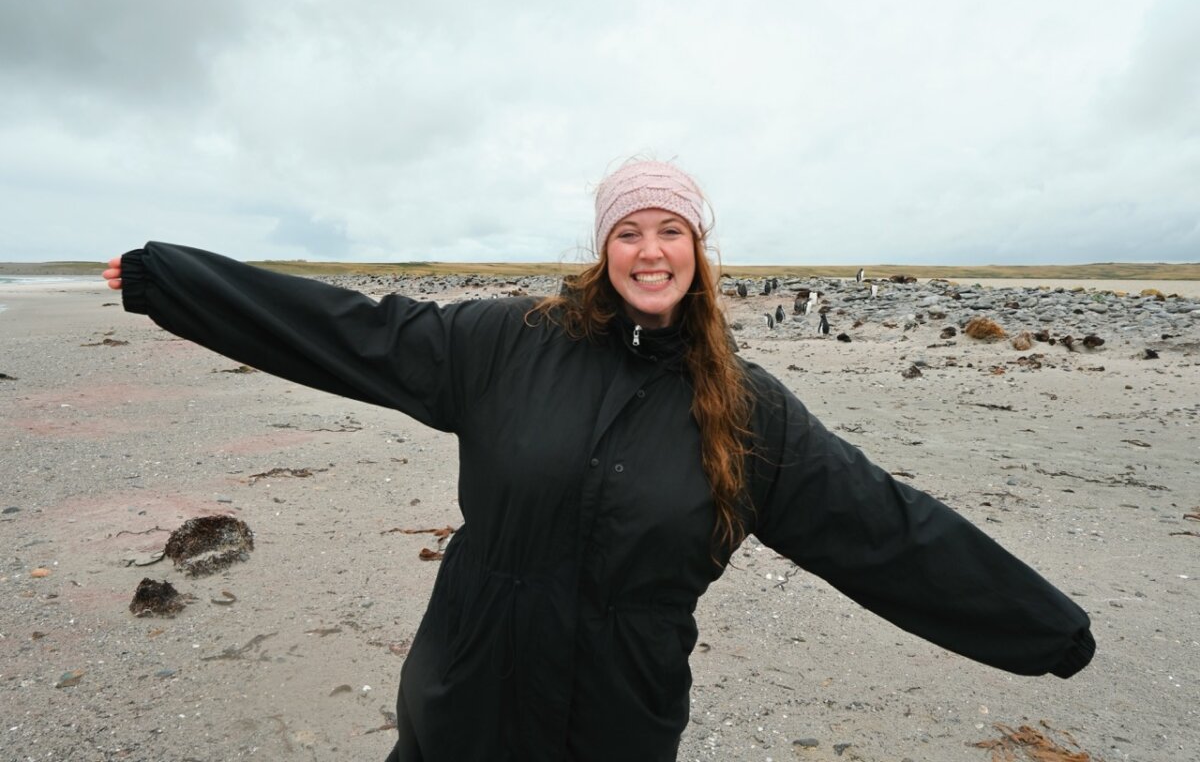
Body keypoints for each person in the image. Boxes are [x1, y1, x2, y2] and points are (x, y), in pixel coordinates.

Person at [103, 158, 1094, 761]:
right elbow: (350, 331)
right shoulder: (504, 343)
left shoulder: (751, 414)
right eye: (630, 229)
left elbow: (886, 529)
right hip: (467, 696)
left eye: (671, 230)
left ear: (699, 253)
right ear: (604, 245)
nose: (650, 248)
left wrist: (1044, 627)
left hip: (616, 721)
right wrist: (172, 283)